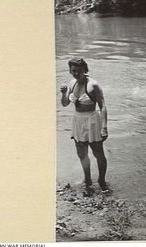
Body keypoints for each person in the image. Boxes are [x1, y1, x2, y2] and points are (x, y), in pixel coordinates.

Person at [60, 58, 109, 196]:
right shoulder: (72, 83)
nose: (75, 73)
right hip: (78, 120)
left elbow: (103, 106)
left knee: (98, 153)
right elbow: (64, 104)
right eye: (73, 71)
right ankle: (87, 180)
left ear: (84, 70)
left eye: (78, 71)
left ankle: (102, 181)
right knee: (82, 153)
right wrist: (64, 93)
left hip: (92, 120)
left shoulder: (93, 85)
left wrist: (104, 127)